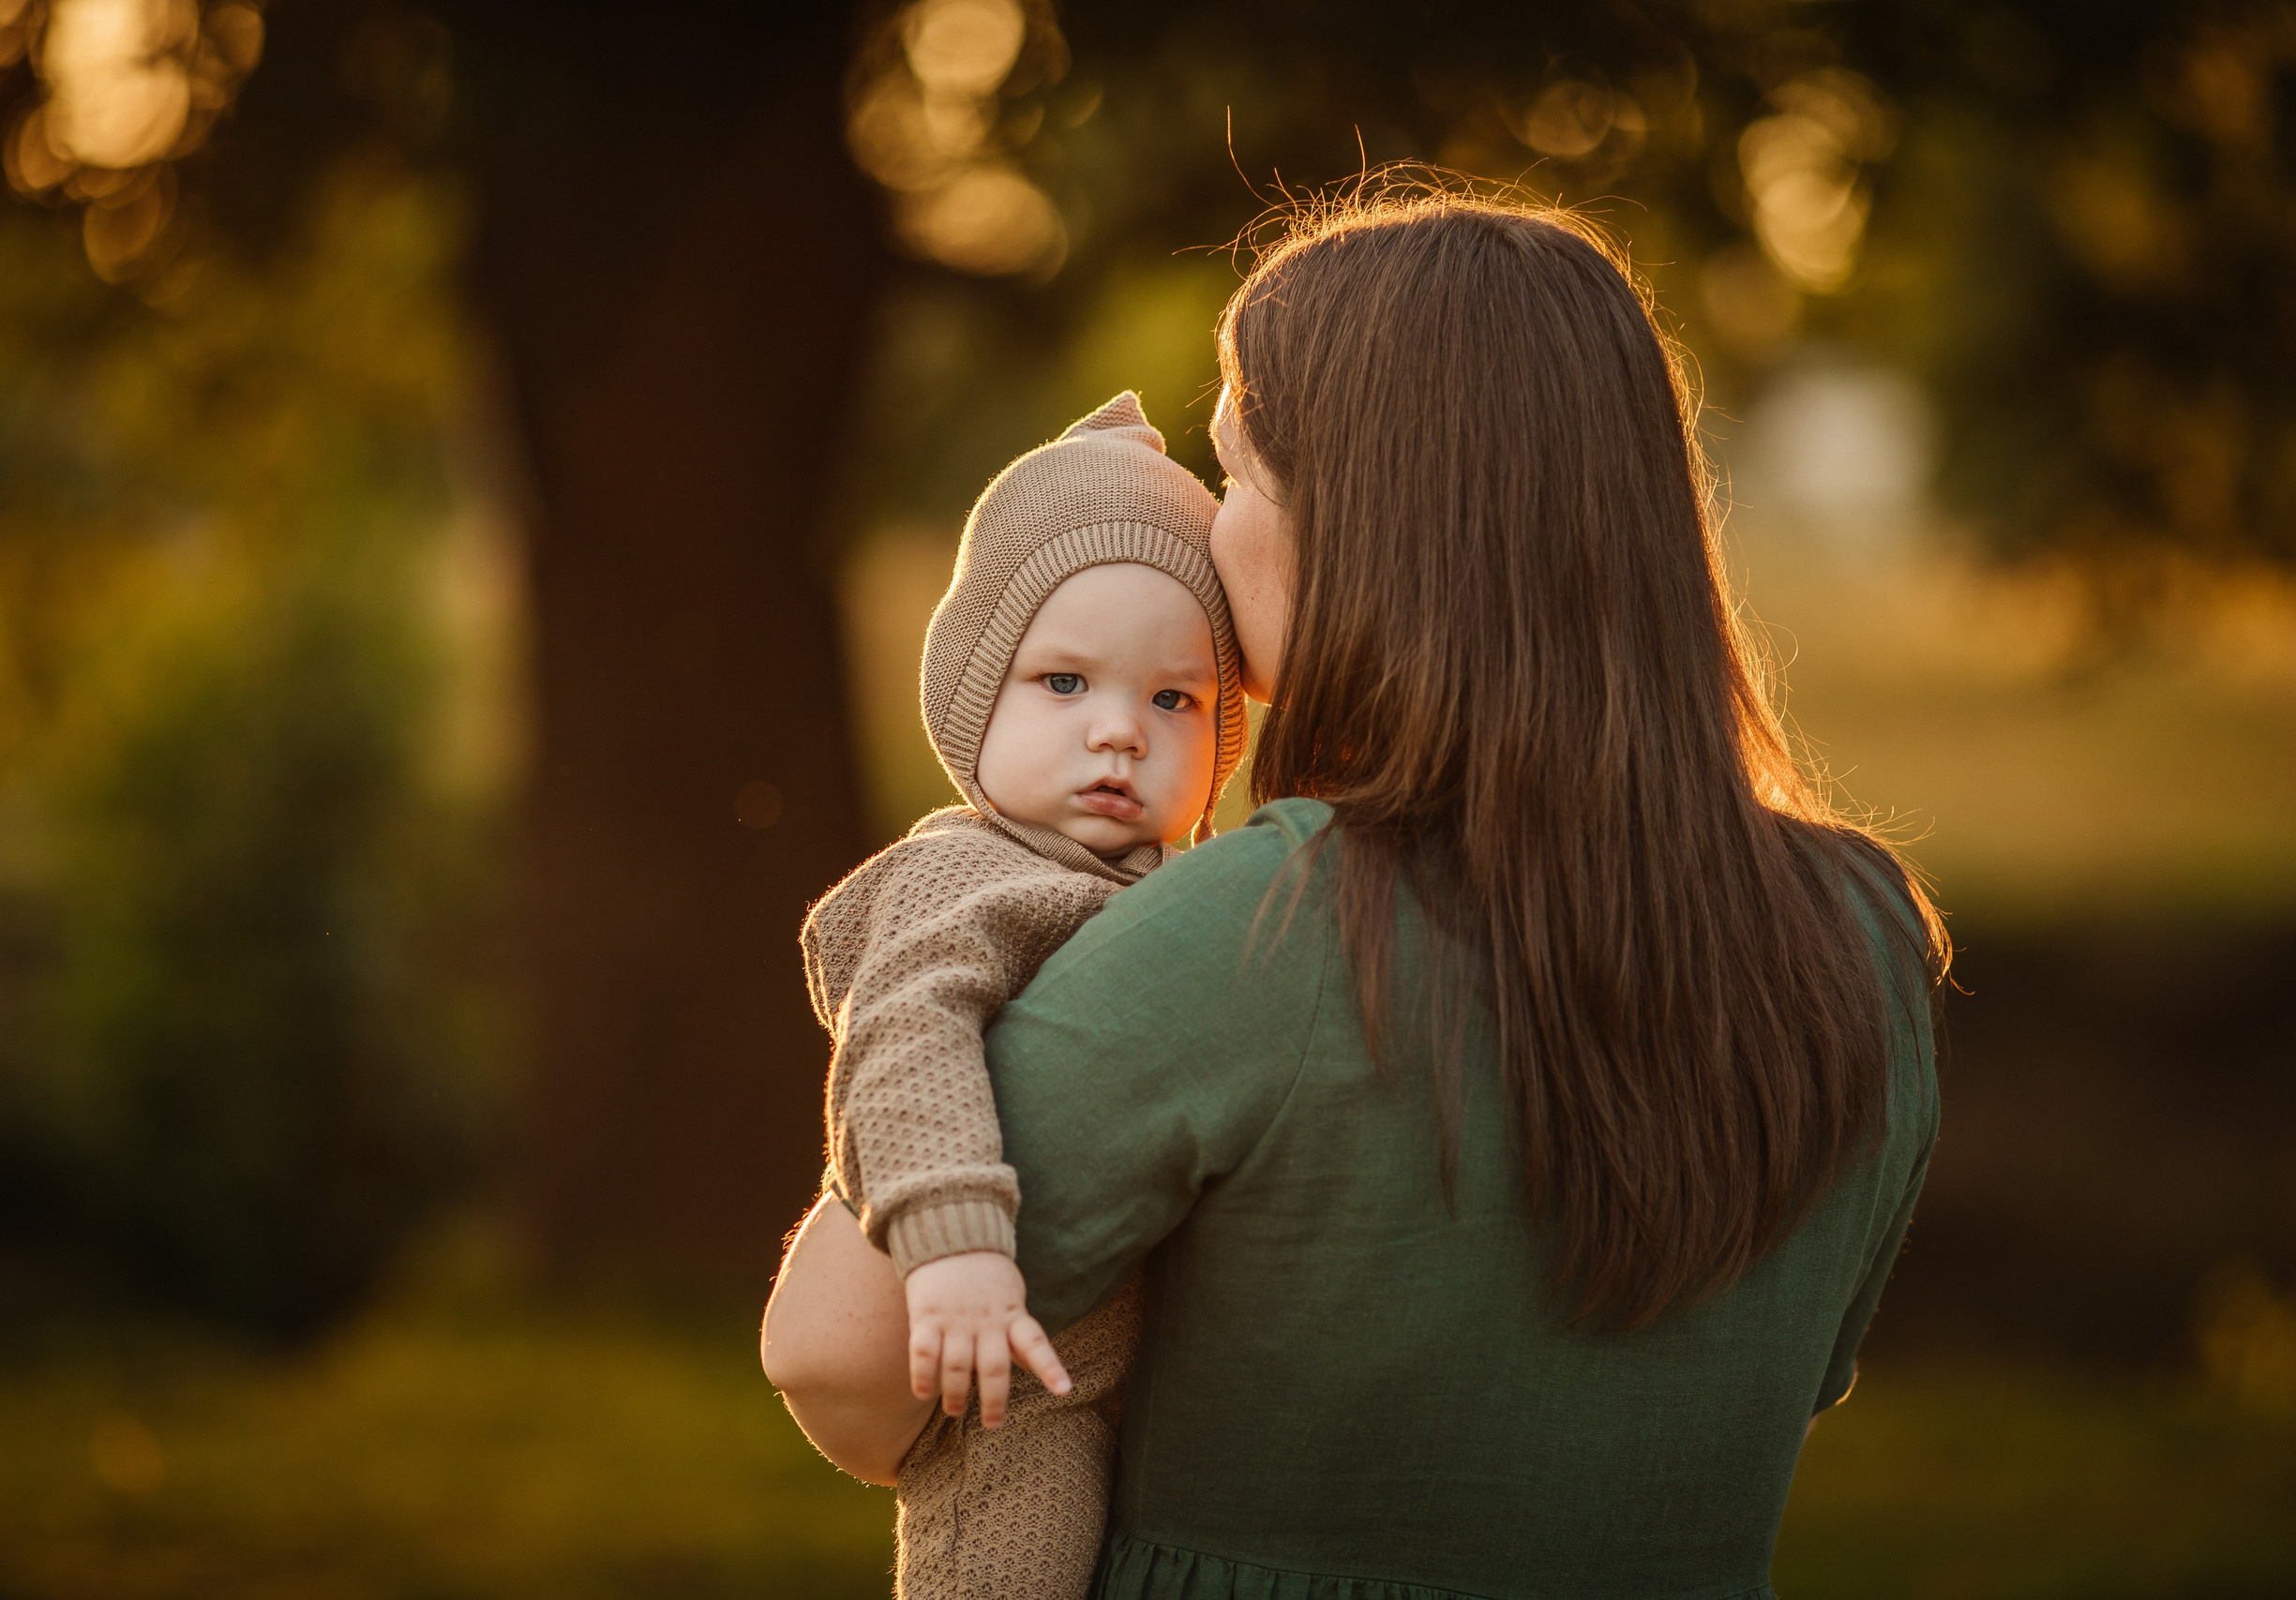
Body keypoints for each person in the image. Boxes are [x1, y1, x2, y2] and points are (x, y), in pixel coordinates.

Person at [767, 186, 1948, 1600]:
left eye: (1238, 478)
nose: (1213, 537)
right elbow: (1802, 1376)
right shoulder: (1867, 942)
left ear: (1367, 528)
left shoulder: (1246, 936)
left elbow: (835, 1351)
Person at [783, 390, 1247, 1600]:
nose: (1116, 736)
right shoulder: (968, 878)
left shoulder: (1194, 889)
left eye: (1172, 700)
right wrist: (954, 1256)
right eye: (1062, 684)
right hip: (1014, 1381)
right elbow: (902, 1039)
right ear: (971, 692)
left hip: (1167, 1379)